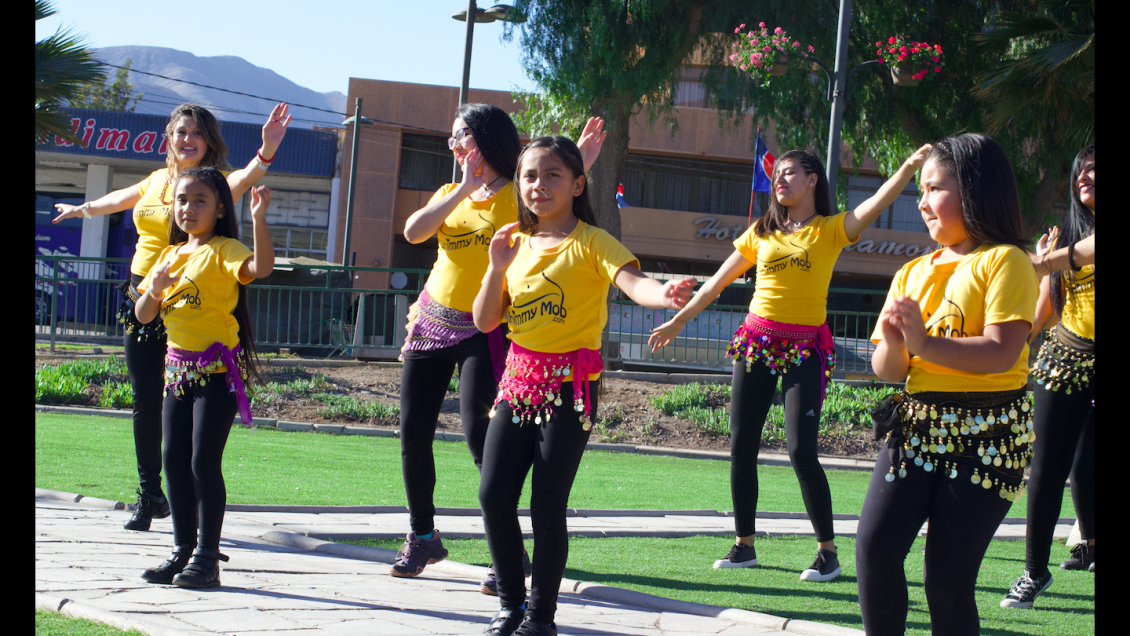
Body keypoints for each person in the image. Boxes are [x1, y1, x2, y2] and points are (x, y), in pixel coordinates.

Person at [648, 145, 932, 581]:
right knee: (741, 445)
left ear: (813, 179)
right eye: (777, 174)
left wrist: (909, 167)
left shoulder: (830, 230)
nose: (779, 180)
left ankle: (827, 553)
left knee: (801, 451)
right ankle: (744, 545)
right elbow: (717, 283)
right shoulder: (761, 232)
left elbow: (876, 203)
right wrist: (678, 321)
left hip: (805, 348)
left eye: (790, 173)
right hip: (756, 342)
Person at [472, 136, 695, 636]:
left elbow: (633, 282)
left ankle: (540, 618)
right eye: (529, 176)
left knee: (546, 506)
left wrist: (663, 294)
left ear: (577, 185)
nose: (538, 185)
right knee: (493, 496)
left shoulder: (593, 241)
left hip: (570, 390)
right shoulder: (513, 244)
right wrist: (495, 267)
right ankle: (510, 605)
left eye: (552, 175)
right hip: (517, 384)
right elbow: (485, 320)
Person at [391, 103, 606, 592]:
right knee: (412, 432)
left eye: (463, 135)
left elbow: (549, 200)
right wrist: (464, 187)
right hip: (432, 320)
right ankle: (422, 536)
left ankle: (505, 552)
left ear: (488, 138)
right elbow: (414, 232)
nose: (455, 145)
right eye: (451, 138)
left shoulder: (516, 195)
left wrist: (578, 160)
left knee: (479, 435)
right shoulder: (450, 193)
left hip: (486, 329)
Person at [52, 103, 290, 531]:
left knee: (186, 404)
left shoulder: (212, 184)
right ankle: (150, 495)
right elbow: (119, 199)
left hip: (190, 301)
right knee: (145, 401)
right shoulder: (155, 179)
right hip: (142, 295)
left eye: (197, 133)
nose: (188, 139)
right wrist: (81, 210)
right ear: (170, 137)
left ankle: (193, 512)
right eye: (181, 131)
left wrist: (267, 149)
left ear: (209, 141)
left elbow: (246, 177)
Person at [858, 133, 1038, 634]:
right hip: (916, 429)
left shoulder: (1006, 261)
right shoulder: (911, 272)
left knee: (947, 580)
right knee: (874, 549)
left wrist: (923, 341)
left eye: (935, 188)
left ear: (974, 192)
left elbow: (1001, 351)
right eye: (921, 190)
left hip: (989, 437)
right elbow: (888, 369)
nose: (922, 202)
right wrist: (898, 342)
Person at [132, 168, 274, 588]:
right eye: (182, 200)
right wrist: (154, 289)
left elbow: (260, 267)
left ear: (219, 209)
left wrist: (259, 219)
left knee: (202, 462)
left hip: (217, 376)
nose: (188, 208)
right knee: (173, 460)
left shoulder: (223, 249)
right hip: (177, 376)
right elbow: (143, 316)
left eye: (200, 201)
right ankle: (182, 551)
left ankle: (207, 558)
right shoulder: (169, 255)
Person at [1001, 145, 1095, 609]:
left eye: (1094, 170)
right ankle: (1034, 571)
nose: (1084, 177)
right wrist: (1011, 345)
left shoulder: (1069, 250)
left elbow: (1064, 260)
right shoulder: (1067, 240)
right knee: (1047, 469)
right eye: (1080, 172)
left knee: (1088, 466)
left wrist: (1038, 262)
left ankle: (1089, 542)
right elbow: (1044, 310)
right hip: (1066, 359)